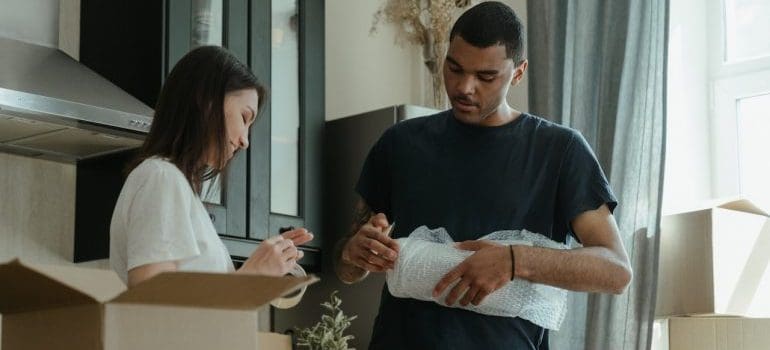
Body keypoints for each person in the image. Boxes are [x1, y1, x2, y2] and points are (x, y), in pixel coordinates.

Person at [334, 2, 632, 349]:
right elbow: (347, 269)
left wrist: (514, 260)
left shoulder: (560, 150)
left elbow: (616, 271)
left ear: (518, 73)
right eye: (454, 68)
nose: (464, 87)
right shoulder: (399, 143)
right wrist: (354, 253)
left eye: (486, 77)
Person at [110, 45, 312, 287]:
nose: (245, 141)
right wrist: (252, 276)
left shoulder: (178, 187)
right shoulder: (161, 177)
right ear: (206, 102)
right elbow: (151, 302)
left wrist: (265, 267)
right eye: (244, 118)